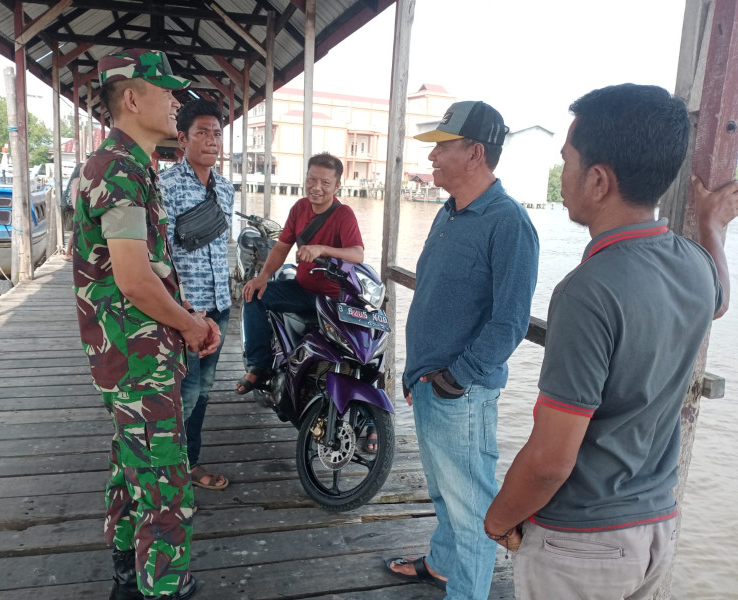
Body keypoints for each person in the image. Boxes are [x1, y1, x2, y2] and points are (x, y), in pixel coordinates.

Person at [483, 84, 736, 600]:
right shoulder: (692, 265)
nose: (563, 175)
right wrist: (713, 226)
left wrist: (496, 519)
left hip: (582, 545)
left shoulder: (587, 291)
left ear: (598, 180)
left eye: (567, 160)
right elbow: (719, 298)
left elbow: (552, 459)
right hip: (655, 530)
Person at [72, 48, 221, 600]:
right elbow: (134, 280)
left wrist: (186, 319)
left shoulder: (124, 163)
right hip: (138, 358)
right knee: (164, 482)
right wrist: (189, 326)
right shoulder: (120, 168)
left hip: (130, 354)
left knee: (132, 464)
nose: (176, 101)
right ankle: (163, 586)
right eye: (166, 92)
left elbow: (142, 269)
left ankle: (126, 575)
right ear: (132, 99)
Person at [386, 101, 539, 599]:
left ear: (475, 153)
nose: (431, 158)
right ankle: (442, 563)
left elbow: (510, 321)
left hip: (462, 395)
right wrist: (418, 375)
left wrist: (456, 378)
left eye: (442, 148)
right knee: (444, 495)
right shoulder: (449, 213)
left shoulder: (509, 222)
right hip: (431, 383)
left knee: (472, 510)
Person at [237, 152, 364, 393]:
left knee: (358, 348)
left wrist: (323, 250)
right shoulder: (299, 208)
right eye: (311, 180)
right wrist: (262, 277)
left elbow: (358, 254)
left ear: (337, 186)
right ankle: (258, 367)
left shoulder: (344, 214)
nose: (316, 188)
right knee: (253, 296)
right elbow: (281, 249)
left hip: (332, 297)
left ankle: (365, 412)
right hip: (301, 289)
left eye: (325, 183)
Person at [159, 99, 234, 491]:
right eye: (202, 132)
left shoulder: (225, 188)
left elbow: (223, 247)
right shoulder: (166, 186)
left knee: (204, 390)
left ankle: (189, 462)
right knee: (183, 392)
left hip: (219, 305)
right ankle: (169, 471)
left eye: (217, 133)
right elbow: (163, 256)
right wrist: (185, 311)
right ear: (182, 138)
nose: (211, 140)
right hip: (186, 311)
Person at [63, 161, 83, 261]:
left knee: (74, 230)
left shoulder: (73, 180)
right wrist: (77, 209)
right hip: (72, 208)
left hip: (70, 207)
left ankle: (70, 252)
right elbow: (74, 198)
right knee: (74, 231)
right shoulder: (77, 180)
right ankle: (68, 253)